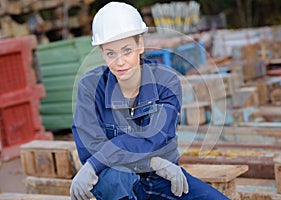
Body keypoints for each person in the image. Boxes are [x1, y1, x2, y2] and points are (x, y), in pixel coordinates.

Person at [70, 2, 229, 200]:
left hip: (162, 176)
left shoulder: (166, 81)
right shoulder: (90, 87)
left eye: (127, 50)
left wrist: (97, 163)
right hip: (117, 182)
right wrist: (151, 161)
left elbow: (156, 138)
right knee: (115, 178)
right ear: (102, 53)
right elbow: (90, 147)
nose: (119, 62)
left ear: (140, 46)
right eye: (111, 53)